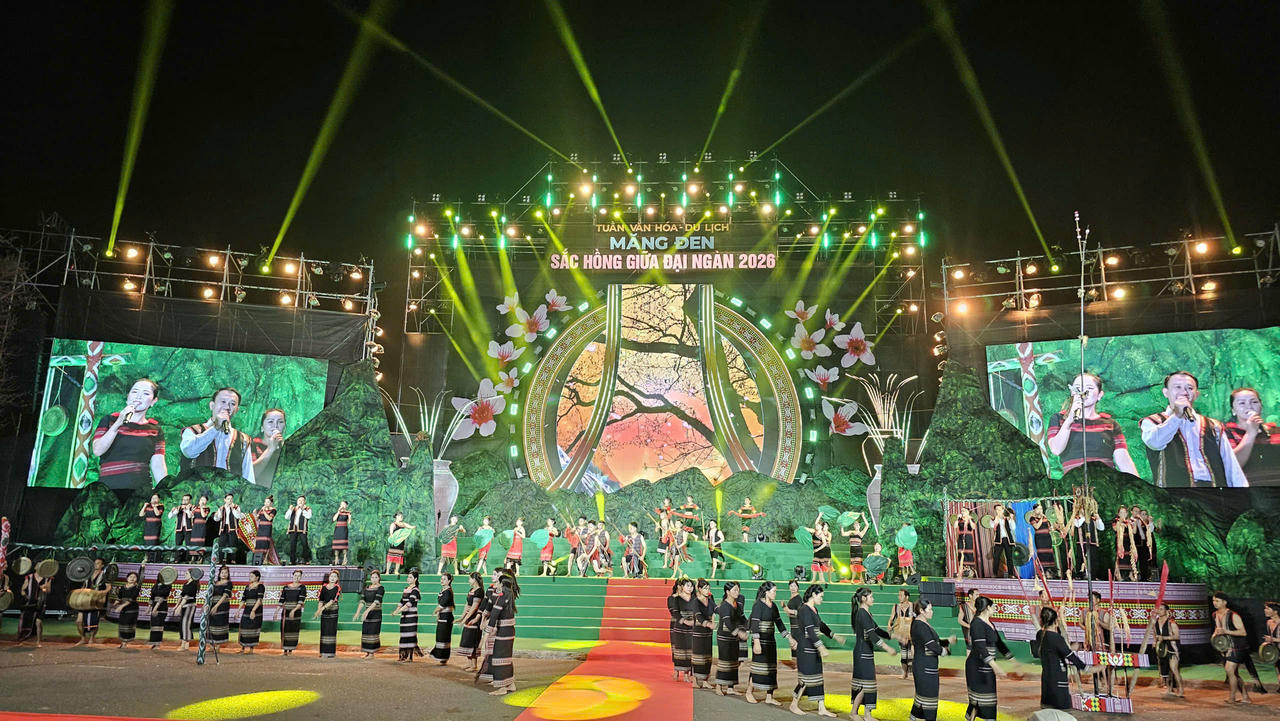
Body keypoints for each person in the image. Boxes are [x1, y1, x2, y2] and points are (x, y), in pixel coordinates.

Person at [1140, 370, 1247, 487]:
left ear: (1196, 394)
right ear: (1166, 392)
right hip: (1174, 490)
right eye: (1178, 387)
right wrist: (1177, 416)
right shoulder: (1152, 421)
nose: (1184, 392)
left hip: (1213, 489)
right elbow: (1155, 443)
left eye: (1189, 388)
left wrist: (1242, 491)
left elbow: (1230, 464)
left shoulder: (1214, 425)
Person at [1047, 373, 1139, 475]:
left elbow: (1123, 458)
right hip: (1076, 480)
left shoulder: (1110, 424)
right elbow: (1056, 449)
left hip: (1105, 478)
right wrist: (1069, 420)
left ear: (1099, 395)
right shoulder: (1059, 419)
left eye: (1089, 388)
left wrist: (1137, 483)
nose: (1083, 392)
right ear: (1072, 392)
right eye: (1078, 388)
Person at [91, 378, 168, 497]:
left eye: (145, 393)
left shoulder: (155, 430)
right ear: (128, 396)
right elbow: (97, 450)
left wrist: (164, 493)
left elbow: (158, 465)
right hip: (108, 490)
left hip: (140, 492)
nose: (138, 396)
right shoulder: (110, 420)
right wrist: (118, 423)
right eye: (135, 392)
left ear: (153, 401)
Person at [179, 387, 256, 483]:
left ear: (236, 410)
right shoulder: (192, 431)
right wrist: (215, 428)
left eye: (232, 404)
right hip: (195, 490)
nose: (227, 407)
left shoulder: (244, 440)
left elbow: (248, 476)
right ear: (212, 405)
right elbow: (188, 451)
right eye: (223, 402)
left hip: (228, 491)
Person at [790, 584, 843, 717]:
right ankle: (794, 704)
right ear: (813, 594)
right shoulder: (804, 609)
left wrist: (834, 635)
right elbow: (810, 631)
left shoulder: (813, 610)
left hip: (813, 648)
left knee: (818, 677)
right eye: (821, 596)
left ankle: (821, 707)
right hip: (806, 648)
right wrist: (821, 646)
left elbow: (821, 625)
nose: (822, 599)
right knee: (806, 678)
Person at [744, 581, 796, 705]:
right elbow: (755, 624)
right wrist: (756, 642)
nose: (775, 594)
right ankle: (749, 692)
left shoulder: (773, 606)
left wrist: (789, 637)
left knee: (771, 668)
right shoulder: (758, 605)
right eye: (774, 591)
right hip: (760, 641)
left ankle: (769, 696)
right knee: (757, 667)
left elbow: (779, 624)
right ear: (766, 592)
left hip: (770, 641)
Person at [852, 586, 897, 720]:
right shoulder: (862, 613)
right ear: (863, 598)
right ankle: (856, 713)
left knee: (868, 684)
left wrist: (894, 636)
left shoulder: (867, 613)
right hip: (862, 652)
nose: (873, 599)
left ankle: (865, 714)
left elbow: (877, 630)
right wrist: (887, 648)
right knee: (866, 684)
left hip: (866, 651)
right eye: (871, 597)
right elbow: (872, 635)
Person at [1033, 606, 1090, 710]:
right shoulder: (1055, 638)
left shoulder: (1040, 635)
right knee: (1060, 710)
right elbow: (1069, 655)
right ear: (1055, 621)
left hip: (1047, 680)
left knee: (1048, 710)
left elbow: (1056, 649)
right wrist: (1086, 668)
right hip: (1057, 680)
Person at [966, 596, 1011, 721]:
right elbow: (981, 647)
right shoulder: (976, 624)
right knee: (979, 700)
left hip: (987, 667)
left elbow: (999, 643)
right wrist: (995, 666)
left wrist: (1013, 660)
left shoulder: (990, 624)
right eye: (993, 606)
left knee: (986, 700)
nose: (995, 608)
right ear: (987, 608)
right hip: (977, 668)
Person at [1223, 387, 1280, 485]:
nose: (1249, 406)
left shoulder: (1276, 431)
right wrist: (1250, 434)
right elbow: (1231, 466)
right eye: (1242, 403)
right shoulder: (1226, 433)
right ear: (1233, 410)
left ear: (1261, 406)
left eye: (1254, 402)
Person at [910, 598, 955, 721]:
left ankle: (912, 718)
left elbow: (934, 641)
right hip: (924, 666)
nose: (932, 612)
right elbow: (931, 645)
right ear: (921, 611)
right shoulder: (920, 625)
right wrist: (945, 651)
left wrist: (947, 641)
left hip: (927, 665)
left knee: (922, 697)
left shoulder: (922, 623)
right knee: (929, 697)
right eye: (930, 609)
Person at [479, 571, 520, 696]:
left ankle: (502, 687)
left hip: (504, 631)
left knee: (498, 657)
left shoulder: (503, 596)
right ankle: (510, 683)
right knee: (506, 657)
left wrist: (485, 636)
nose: (495, 584)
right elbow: (490, 607)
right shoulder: (508, 595)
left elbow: (494, 616)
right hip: (509, 630)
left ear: (502, 584)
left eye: (498, 582)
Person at [1211, 591, 1252, 703]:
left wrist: (1226, 631)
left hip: (1238, 647)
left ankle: (1232, 697)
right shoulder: (1214, 615)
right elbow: (1217, 630)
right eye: (1213, 600)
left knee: (1229, 670)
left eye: (1217, 601)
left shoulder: (1233, 615)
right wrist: (1215, 640)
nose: (1214, 603)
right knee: (1234, 673)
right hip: (1225, 647)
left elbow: (1243, 632)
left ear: (1224, 602)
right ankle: (1245, 697)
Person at [1139, 602, 1184, 697]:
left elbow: (1177, 636)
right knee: (1166, 670)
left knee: (1174, 669)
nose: (1159, 611)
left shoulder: (1171, 622)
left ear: (1167, 611)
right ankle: (1169, 689)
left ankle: (1181, 690)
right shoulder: (1155, 622)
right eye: (1158, 609)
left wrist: (1164, 638)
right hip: (1162, 649)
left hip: (1172, 648)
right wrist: (1155, 642)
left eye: (1161, 609)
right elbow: (1155, 635)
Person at [713, 581, 749, 696]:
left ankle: (730, 687)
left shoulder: (736, 605)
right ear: (727, 592)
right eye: (734, 590)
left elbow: (742, 618)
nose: (737, 592)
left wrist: (750, 626)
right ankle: (719, 686)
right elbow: (728, 622)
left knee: (734, 662)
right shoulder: (724, 605)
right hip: (724, 638)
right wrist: (739, 633)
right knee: (724, 661)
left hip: (733, 638)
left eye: (738, 590)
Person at [73, 558, 108, 647]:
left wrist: (102, 593)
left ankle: (92, 638)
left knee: (94, 621)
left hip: (96, 601)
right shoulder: (88, 574)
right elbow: (84, 585)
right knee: (79, 621)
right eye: (95, 563)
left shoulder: (104, 575)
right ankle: (83, 638)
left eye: (98, 563)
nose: (95, 564)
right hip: (85, 600)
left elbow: (109, 587)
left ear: (102, 565)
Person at [249, 408, 286, 489]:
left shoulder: (288, 449)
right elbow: (250, 474)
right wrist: (270, 449)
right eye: (270, 422)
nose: (275, 426)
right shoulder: (252, 445)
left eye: (280, 422)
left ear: (285, 427)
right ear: (262, 427)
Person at [16, 565, 52, 647]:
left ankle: (38, 641)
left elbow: (49, 591)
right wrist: (25, 595)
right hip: (29, 603)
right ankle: (21, 640)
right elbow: (22, 590)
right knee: (24, 622)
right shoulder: (29, 577)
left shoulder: (47, 578)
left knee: (38, 622)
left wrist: (45, 588)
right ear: (35, 567)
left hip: (41, 603)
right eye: (39, 565)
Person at [691, 579, 716, 689]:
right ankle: (695, 680)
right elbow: (698, 616)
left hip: (708, 633)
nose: (707, 590)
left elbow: (716, 609)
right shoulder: (695, 601)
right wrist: (708, 624)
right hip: (699, 631)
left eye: (708, 588)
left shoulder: (710, 600)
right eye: (705, 588)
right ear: (700, 589)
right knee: (698, 656)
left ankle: (705, 680)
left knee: (707, 656)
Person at [668, 579, 695, 682]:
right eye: (687, 586)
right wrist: (685, 621)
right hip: (678, 626)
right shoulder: (674, 599)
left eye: (691, 586)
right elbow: (674, 612)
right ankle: (677, 670)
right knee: (678, 650)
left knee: (690, 650)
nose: (690, 588)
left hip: (691, 627)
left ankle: (687, 674)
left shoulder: (694, 599)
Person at [394, 570, 424, 662]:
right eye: (408, 577)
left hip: (411, 616)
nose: (408, 579)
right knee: (404, 634)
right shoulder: (406, 588)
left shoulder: (415, 590)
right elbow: (401, 601)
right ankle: (403, 656)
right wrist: (396, 610)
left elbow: (409, 603)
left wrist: (398, 611)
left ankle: (409, 657)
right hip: (404, 615)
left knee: (410, 635)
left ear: (415, 579)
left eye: (410, 577)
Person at [355, 570, 385, 658]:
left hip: (375, 614)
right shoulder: (367, 587)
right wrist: (358, 612)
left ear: (379, 578)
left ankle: (372, 653)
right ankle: (367, 652)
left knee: (373, 632)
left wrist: (366, 611)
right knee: (366, 632)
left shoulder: (381, 588)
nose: (374, 579)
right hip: (367, 615)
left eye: (376, 577)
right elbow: (362, 601)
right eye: (372, 577)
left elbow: (376, 601)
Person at [458, 572, 485, 671]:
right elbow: (467, 605)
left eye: (470, 578)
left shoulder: (479, 591)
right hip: (468, 618)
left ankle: (474, 665)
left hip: (474, 619)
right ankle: (469, 663)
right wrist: (462, 617)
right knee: (467, 640)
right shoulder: (471, 590)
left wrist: (465, 619)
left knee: (473, 640)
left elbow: (474, 607)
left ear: (475, 580)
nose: (469, 580)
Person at [1070, 505, 1105, 580]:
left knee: (1093, 559)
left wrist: (1098, 519)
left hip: (1092, 542)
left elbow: (1101, 528)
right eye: (1083, 509)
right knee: (1080, 559)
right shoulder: (1077, 518)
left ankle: (1093, 576)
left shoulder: (1093, 518)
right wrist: (1084, 517)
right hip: (1082, 543)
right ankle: (1079, 575)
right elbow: (1078, 524)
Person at [314, 569, 341, 658]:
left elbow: (332, 601)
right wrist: (318, 610)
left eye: (335, 577)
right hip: (324, 612)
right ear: (329, 577)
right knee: (324, 630)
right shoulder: (323, 587)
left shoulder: (337, 587)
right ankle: (323, 652)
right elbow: (321, 600)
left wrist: (322, 609)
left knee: (331, 631)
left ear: (337, 579)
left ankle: (330, 653)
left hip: (333, 611)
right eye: (331, 576)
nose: (332, 578)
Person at [1028, 502, 1060, 579]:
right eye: (1038, 509)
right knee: (1042, 554)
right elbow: (1037, 526)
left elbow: (1049, 527)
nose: (1040, 510)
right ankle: (1042, 572)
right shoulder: (1032, 518)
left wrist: (1051, 528)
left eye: (1041, 509)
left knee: (1049, 554)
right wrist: (1042, 518)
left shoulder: (1045, 518)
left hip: (1047, 538)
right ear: (1034, 510)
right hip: (1039, 539)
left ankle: (1051, 572)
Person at [429, 572, 455, 664]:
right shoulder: (443, 591)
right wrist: (438, 615)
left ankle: (443, 657)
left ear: (449, 581)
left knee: (444, 637)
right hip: (442, 616)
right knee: (440, 637)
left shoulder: (448, 591)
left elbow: (442, 604)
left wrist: (435, 611)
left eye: (444, 579)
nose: (442, 580)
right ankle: (442, 657)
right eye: (441, 579)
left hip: (446, 617)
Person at [889, 588, 914, 679]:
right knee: (903, 654)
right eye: (898, 595)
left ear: (907, 597)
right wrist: (889, 624)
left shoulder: (913, 606)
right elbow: (892, 617)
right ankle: (904, 673)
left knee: (911, 654)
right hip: (901, 634)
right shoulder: (896, 606)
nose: (899, 597)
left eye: (901, 595)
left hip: (911, 633)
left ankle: (913, 673)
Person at [279, 569, 305, 655]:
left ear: (301, 577)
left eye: (299, 576)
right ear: (292, 576)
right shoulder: (286, 587)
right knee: (285, 630)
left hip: (296, 612)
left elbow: (300, 601)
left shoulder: (302, 587)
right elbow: (282, 599)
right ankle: (285, 650)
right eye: (295, 575)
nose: (297, 577)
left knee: (293, 630)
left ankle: (290, 650)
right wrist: (276, 611)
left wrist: (293, 611)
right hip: (286, 612)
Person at [237, 569, 264, 653]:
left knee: (253, 627)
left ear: (257, 577)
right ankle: (243, 648)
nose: (250, 578)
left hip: (256, 610)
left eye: (252, 576)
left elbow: (259, 600)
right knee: (244, 627)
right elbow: (243, 600)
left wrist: (253, 610)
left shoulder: (260, 586)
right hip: (247, 609)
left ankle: (251, 649)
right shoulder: (247, 587)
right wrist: (238, 610)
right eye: (250, 576)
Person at [211, 493, 243, 564]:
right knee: (221, 543)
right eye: (228, 499)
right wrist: (216, 515)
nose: (230, 500)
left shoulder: (236, 507)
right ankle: (220, 559)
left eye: (231, 499)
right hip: (224, 527)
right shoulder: (221, 508)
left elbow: (238, 516)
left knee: (233, 543)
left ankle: (232, 560)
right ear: (225, 500)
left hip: (233, 528)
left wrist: (233, 508)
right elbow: (217, 519)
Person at [175, 568, 201, 651]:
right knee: (183, 624)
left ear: (192, 575)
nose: (185, 575)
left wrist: (180, 606)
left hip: (190, 606)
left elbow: (187, 596)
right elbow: (182, 595)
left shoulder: (193, 584)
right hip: (184, 606)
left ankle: (183, 645)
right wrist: (177, 605)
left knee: (186, 624)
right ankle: (186, 645)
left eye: (187, 573)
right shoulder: (186, 584)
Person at [112, 571, 140, 649]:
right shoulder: (122, 587)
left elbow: (131, 599)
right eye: (130, 577)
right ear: (127, 578)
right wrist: (114, 604)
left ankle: (125, 642)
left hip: (132, 609)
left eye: (134, 577)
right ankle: (123, 642)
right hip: (124, 609)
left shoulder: (136, 588)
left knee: (128, 625)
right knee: (122, 624)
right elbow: (119, 598)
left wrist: (121, 606)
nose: (132, 578)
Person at [207, 566, 233, 649]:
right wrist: (206, 605)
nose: (224, 574)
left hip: (222, 606)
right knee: (211, 623)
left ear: (228, 574)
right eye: (222, 572)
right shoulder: (215, 583)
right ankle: (211, 645)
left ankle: (218, 645)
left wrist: (216, 606)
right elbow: (209, 595)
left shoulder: (229, 583)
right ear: (219, 574)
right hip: (212, 604)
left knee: (219, 623)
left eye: (226, 572)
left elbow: (225, 596)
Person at [1113, 505, 1140, 582]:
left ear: (1127, 513)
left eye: (1124, 512)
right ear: (1118, 514)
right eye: (1121, 512)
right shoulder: (1116, 521)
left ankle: (1130, 574)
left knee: (1130, 557)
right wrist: (1120, 523)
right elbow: (1115, 529)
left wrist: (1134, 525)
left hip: (1129, 542)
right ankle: (1118, 574)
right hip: (1120, 542)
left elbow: (1134, 532)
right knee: (1119, 557)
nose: (1123, 514)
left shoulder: (1129, 522)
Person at [990, 502, 1016, 579]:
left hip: (1008, 540)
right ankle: (995, 574)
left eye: (999, 509)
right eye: (996, 509)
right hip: (998, 540)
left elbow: (1013, 527)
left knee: (1009, 558)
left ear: (1003, 510)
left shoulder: (1007, 518)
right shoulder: (993, 519)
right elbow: (992, 526)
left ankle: (1011, 574)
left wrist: (1011, 519)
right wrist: (996, 520)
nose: (998, 511)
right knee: (996, 557)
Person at [842, 511, 870, 583]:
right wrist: (842, 526)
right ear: (853, 526)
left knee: (858, 564)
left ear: (859, 526)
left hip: (858, 549)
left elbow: (867, 525)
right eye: (855, 524)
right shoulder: (851, 532)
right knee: (853, 564)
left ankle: (859, 579)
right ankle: (854, 579)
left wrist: (863, 516)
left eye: (857, 524)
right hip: (852, 549)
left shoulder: (861, 533)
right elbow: (843, 534)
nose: (856, 525)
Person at [804, 513, 833, 584]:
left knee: (826, 565)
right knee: (816, 564)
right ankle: (816, 579)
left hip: (825, 550)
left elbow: (827, 541)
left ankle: (828, 580)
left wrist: (822, 536)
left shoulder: (826, 533)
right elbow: (815, 524)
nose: (825, 527)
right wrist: (819, 515)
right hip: (818, 549)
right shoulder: (817, 531)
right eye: (824, 526)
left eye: (826, 526)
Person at [146, 572, 171, 649]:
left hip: (162, 607)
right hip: (154, 606)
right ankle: (153, 642)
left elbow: (163, 597)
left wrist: (155, 608)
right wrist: (149, 608)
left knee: (159, 625)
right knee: (153, 625)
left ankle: (157, 644)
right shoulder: (155, 585)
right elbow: (152, 597)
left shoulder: (168, 585)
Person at [284, 496, 312, 565]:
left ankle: (306, 559)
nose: (301, 502)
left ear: (305, 502)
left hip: (302, 529)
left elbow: (309, 516)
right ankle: (292, 560)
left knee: (304, 544)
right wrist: (290, 510)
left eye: (302, 500)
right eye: (299, 500)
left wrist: (303, 509)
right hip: (293, 528)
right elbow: (286, 517)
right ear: (297, 501)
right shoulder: (293, 509)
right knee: (292, 545)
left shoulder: (307, 509)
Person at [139, 494, 164, 562]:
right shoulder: (148, 506)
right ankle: (147, 558)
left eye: (155, 498)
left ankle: (153, 560)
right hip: (148, 527)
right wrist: (144, 506)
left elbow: (157, 514)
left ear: (158, 499)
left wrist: (155, 507)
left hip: (155, 528)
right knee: (147, 543)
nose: (154, 499)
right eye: (152, 498)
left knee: (154, 543)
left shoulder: (160, 506)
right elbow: (141, 514)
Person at [251, 496, 276, 565]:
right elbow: (256, 519)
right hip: (261, 528)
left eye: (268, 502)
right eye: (265, 502)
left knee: (266, 543)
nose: (266, 503)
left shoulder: (273, 510)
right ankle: (258, 560)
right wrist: (254, 514)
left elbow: (269, 518)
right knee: (259, 543)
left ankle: (266, 559)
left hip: (267, 528)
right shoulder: (261, 510)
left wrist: (264, 511)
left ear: (271, 503)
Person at [170, 494, 194, 562]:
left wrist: (187, 509)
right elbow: (170, 516)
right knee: (178, 543)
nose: (185, 501)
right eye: (184, 499)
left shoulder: (192, 507)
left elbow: (191, 516)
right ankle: (177, 559)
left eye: (187, 500)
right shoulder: (178, 508)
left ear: (190, 501)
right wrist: (172, 511)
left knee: (188, 544)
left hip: (188, 528)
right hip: (179, 528)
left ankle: (188, 559)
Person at [955, 507, 978, 577]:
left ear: (968, 512)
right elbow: (955, 526)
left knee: (968, 553)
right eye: (962, 511)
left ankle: (971, 570)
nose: (962, 512)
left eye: (964, 511)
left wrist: (969, 519)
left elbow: (973, 527)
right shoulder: (960, 519)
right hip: (961, 537)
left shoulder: (971, 519)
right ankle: (963, 570)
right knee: (961, 553)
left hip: (968, 537)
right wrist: (957, 518)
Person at [1263, 601, 1280, 693]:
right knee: (1277, 668)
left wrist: (1272, 639)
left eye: (1267, 609)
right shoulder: (1269, 622)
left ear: (1275, 611)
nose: (1265, 610)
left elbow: (1274, 638)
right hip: (1275, 651)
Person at [189, 495, 210, 561]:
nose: (202, 501)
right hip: (195, 526)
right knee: (193, 541)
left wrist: (201, 507)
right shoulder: (195, 508)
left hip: (202, 527)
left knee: (200, 541)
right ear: (199, 501)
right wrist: (190, 511)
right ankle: (193, 557)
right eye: (201, 500)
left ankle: (200, 557)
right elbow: (190, 516)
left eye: (204, 500)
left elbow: (203, 515)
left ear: (206, 502)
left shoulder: (207, 508)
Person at [331, 501, 351, 565]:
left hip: (344, 529)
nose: (342, 505)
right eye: (341, 504)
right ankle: (336, 559)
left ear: (346, 506)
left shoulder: (348, 513)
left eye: (344, 504)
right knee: (336, 545)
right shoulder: (338, 512)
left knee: (344, 545)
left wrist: (349, 516)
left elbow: (349, 522)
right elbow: (334, 519)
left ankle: (345, 559)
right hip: (337, 529)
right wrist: (338, 512)